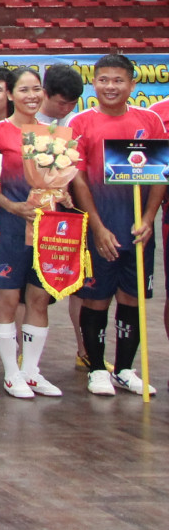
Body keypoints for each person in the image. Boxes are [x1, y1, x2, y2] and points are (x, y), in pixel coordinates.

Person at [66, 53, 165, 397]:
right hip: (100, 229)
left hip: (137, 229)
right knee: (97, 300)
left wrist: (149, 219)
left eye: (118, 80)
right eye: (104, 80)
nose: (111, 86)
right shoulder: (80, 124)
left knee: (132, 299)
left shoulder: (149, 121)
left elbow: (159, 175)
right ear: (94, 83)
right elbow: (77, 178)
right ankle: (96, 369)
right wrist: (97, 226)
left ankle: (124, 369)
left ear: (132, 85)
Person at [0, 67, 65, 399]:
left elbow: (59, 180)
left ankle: (31, 371)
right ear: (9, 94)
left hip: (46, 229)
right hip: (9, 227)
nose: (31, 96)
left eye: (37, 89)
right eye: (23, 90)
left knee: (39, 299)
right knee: (7, 298)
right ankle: (11, 372)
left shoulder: (55, 134)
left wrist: (61, 194)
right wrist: (13, 207)